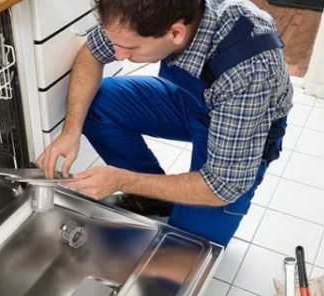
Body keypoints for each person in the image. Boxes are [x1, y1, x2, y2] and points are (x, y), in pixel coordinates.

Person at [37, 0, 293, 247]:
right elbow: (91, 53)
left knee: (185, 248)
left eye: (132, 48)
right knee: (95, 103)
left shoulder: (248, 68)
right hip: (192, 100)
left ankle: (152, 193)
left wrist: (122, 180)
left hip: (242, 129)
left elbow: (221, 186)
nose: (118, 55)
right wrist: (71, 130)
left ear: (176, 33)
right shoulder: (139, 13)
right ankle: (152, 199)